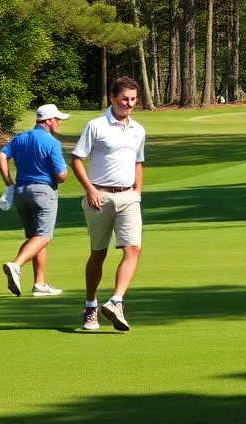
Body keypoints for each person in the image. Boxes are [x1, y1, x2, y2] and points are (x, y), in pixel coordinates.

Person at [71, 76, 146, 332]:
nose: (129, 103)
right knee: (98, 252)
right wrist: (90, 189)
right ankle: (90, 305)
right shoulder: (96, 126)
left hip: (128, 197)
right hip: (99, 197)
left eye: (133, 99)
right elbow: (77, 159)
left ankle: (116, 301)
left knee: (133, 249)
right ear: (112, 97)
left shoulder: (138, 129)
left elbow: (138, 161)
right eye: (124, 98)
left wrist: (138, 192)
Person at [0, 104, 71, 297]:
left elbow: (2, 155)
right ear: (49, 121)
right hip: (43, 192)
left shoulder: (20, 138)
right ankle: (16, 265)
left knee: (36, 237)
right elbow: (61, 176)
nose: (58, 123)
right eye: (57, 120)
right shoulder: (52, 142)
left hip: (21, 192)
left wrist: (8, 183)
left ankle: (39, 284)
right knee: (44, 236)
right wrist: (65, 172)